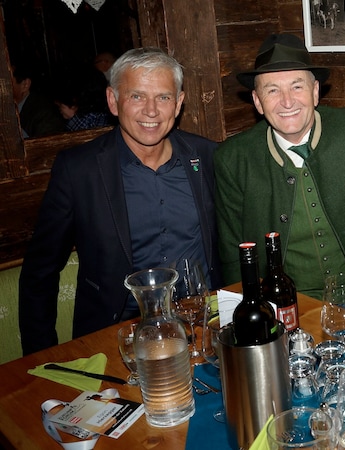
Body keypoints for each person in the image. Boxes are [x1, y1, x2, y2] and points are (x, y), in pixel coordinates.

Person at [19, 47, 221, 355]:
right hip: (117, 337)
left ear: (179, 103)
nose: (151, 111)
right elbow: (40, 272)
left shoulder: (208, 158)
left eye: (164, 97)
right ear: (113, 101)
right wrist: (43, 358)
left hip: (202, 329)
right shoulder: (79, 170)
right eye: (137, 96)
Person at [214, 33, 345, 307]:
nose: (287, 101)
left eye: (297, 87)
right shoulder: (233, 160)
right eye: (272, 90)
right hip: (283, 309)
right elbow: (233, 255)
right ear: (257, 102)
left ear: (315, 92)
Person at [11, 61, 65, 138]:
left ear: (25, 85)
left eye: (4, 82)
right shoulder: (8, 109)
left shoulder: (45, 114)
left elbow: (45, 147)